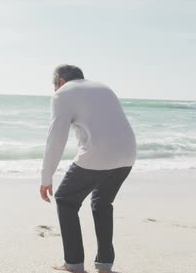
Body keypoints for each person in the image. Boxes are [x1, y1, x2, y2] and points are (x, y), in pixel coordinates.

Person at [39, 65, 137, 273]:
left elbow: (56, 139)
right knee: (102, 203)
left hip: (98, 155)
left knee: (66, 200)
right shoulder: (104, 88)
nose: (54, 90)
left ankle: (73, 264)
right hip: (127, 154)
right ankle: (104, 265)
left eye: (54, 85)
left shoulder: (62, 94)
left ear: (61, 82)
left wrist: (46, 178)